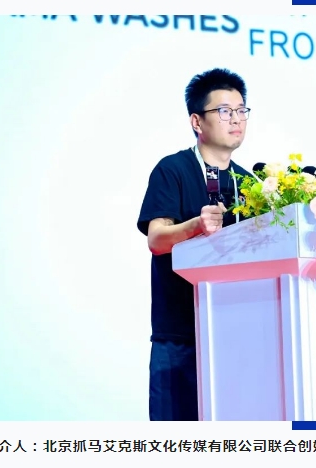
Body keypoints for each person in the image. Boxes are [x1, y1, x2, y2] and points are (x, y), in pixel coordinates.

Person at [136, 68, 253, 421]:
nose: (236, 119)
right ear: (197, 122)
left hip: (238, 332)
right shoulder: (172, 169)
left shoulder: (250, 182)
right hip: (181, 336)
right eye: (224, 111)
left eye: (241, 110)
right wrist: (195, 227)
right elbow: (156, 239)